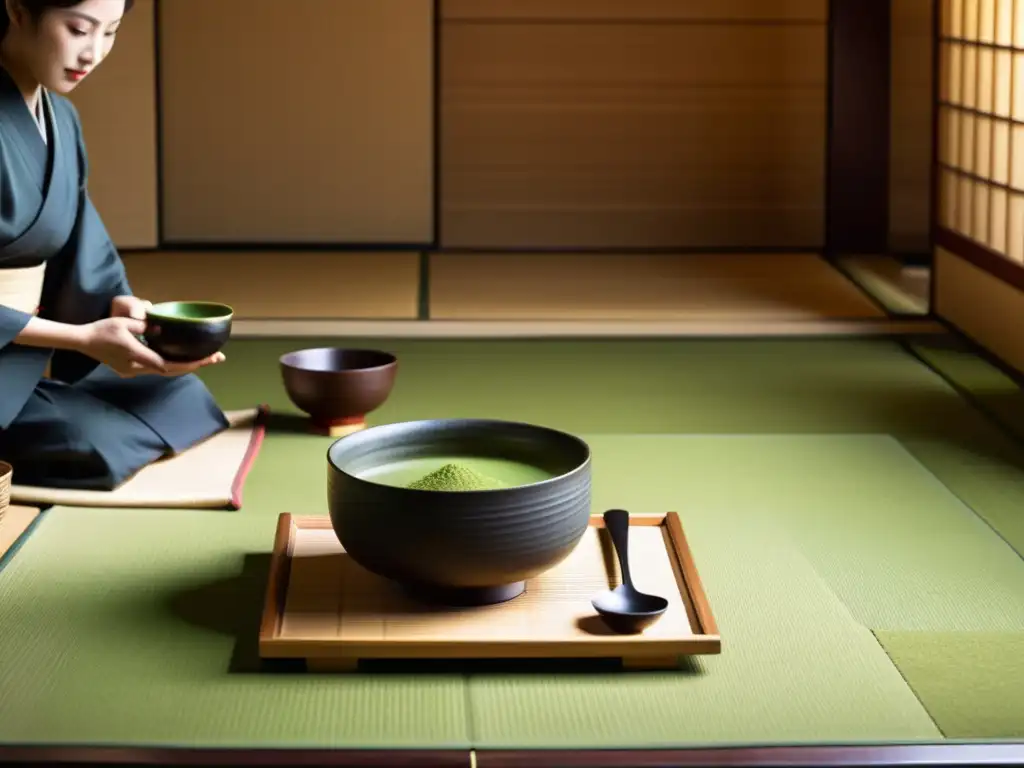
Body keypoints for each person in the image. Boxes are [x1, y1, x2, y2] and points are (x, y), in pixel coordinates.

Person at [0, 0, 229, 490]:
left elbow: (79, 240)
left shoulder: (61, 117)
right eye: (80, 29)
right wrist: (81, 339)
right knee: (93, 442)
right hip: (12, 346)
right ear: (18, 9)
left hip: (20, 346)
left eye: (111, 32)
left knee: (181, 397)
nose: (94, 53)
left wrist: (115, 305)